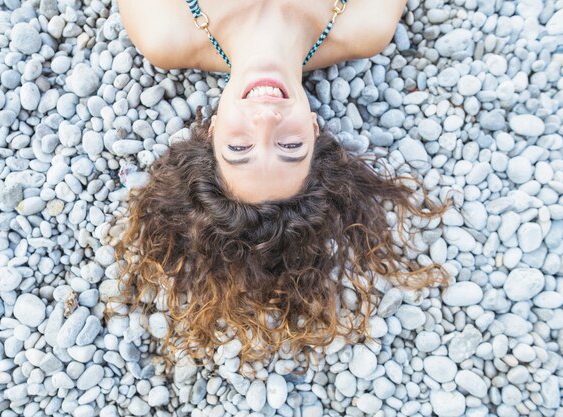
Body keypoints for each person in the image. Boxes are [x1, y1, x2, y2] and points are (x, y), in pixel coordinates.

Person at [104, 0, 454, 374]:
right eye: (290, 146)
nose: (266, 120)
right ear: (314, 130)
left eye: (239, 148)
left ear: (211, 130)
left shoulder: (168, 32)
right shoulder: (362, 25)